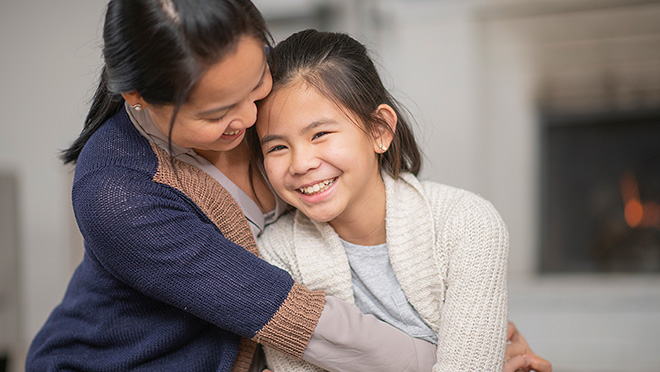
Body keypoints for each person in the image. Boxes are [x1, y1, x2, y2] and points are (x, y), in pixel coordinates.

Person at [25, 1, 442, 371]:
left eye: (257, 81)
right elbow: (293, 316)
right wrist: (454, 362)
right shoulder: (118, 194)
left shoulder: (256, 87)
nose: (248, 118)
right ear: (138, 96)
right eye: (217, 113)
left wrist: (475, 333)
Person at [252, 29, 552, 372]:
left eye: (319, 134)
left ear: (379, 130)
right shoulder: (275, 254)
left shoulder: (468, 223)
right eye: (277, 147)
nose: (300, 163)